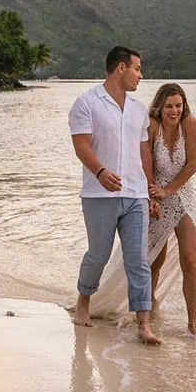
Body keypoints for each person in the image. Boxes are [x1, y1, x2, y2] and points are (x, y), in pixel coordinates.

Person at [68, 45, 161, 346]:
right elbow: (81, 144)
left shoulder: (138, 109)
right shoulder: (86, 103)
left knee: (138, 259)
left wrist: (150, 188)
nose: (140, 75)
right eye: (137, 68)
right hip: (98, 194)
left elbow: (144, 150)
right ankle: (84, 300)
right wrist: (99, 171)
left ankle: (143, 324)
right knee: (98, 255)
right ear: (120, 68)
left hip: (135, 195)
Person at [146, 84, 196, 338]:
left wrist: (169, 190)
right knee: (154, 260)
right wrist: (152, 196)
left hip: (182, 196)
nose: (174, 111)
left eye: (178, 105)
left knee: (190, 259)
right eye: (169, 106)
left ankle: (192, 323)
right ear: (159, 107)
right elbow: (144, 163)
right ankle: (147, 309)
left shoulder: (190, 124)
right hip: (156, 196)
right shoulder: (152, 126)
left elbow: (192, 165)